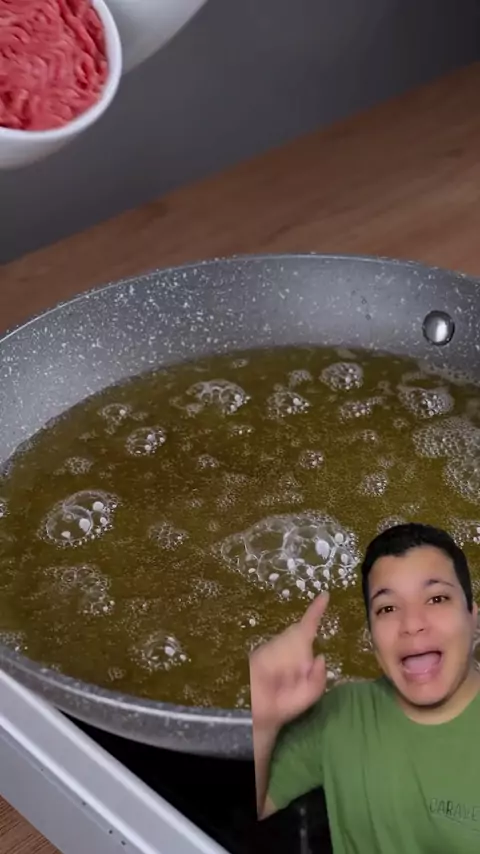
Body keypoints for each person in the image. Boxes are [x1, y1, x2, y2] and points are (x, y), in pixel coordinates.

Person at [250, 522, 480, 853]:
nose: (412, 624)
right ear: (371, 638)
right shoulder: (341, 713)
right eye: (387, 608)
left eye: (436, 598)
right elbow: (246, 810)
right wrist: (264, 717)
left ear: (473, 617)